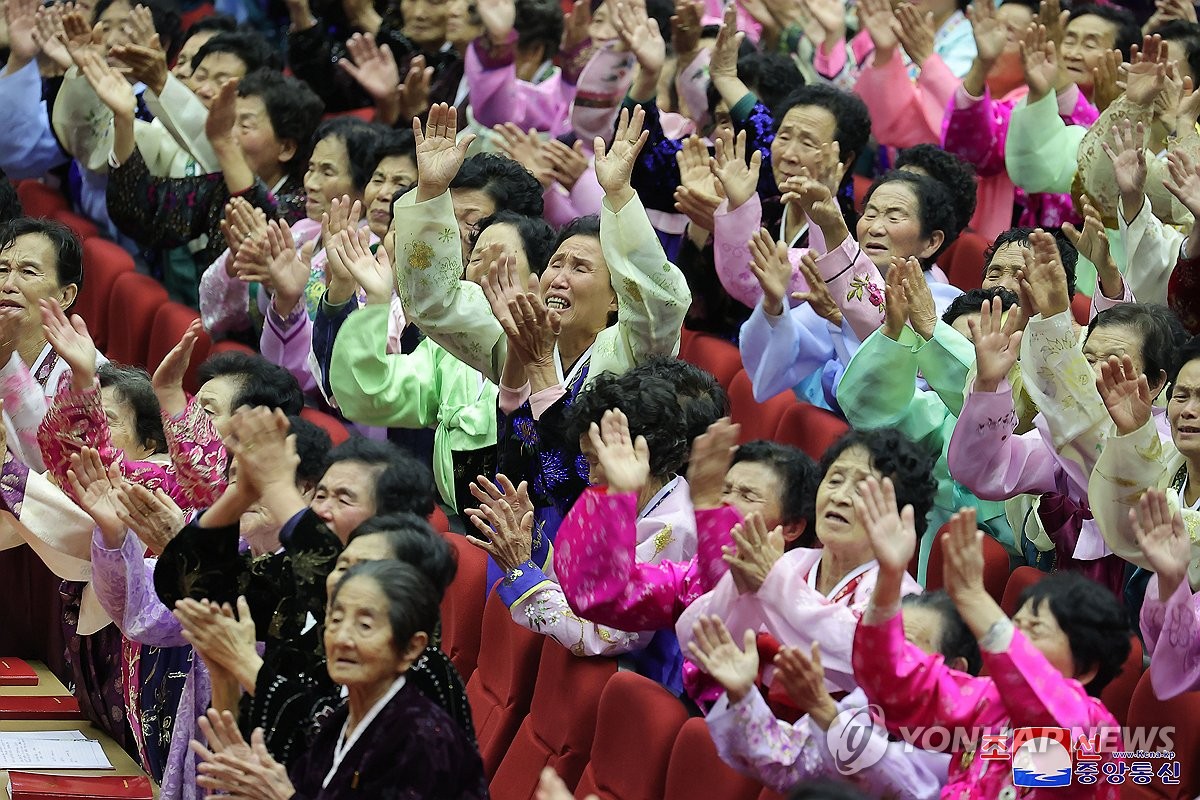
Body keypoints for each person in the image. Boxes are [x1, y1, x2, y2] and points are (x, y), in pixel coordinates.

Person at [852, 485, 1132, 799]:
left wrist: (974, 600)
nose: (1013, 640)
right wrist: (889, 579)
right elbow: (896, 688)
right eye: (1014, 626)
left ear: (1085, 668)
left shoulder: (1093, 728)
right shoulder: (990, 701)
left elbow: (1050, 728)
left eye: (1034, 631)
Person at [176, 512, 472, 766]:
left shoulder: (425, 675)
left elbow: (338, 751)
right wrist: (223, 674)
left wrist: (245, 664)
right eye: (342, 566)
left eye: (366, 569)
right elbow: (249, 756)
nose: (345, 581)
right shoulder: (319, 645)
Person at [675, 427, 937, 704]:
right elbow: (696, 643)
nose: (840, 496)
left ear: (900, 516)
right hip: (752, 723)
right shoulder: (794, 563)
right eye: (834, 480)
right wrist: (737, 586)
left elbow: (860, 652)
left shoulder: (904, 599)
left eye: (863, 489)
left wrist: (773, 584)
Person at [191, 561, 488, 799]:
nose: (342, 638)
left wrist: (281, 796)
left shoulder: (422, 739)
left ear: (411, 647)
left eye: (364, 625)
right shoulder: (345, 719)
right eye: (336, 620)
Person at [690, 587, 982, 795]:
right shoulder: (866, 703)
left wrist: (827, 715)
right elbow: (788, 764)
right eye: (887, 645)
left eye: (906, 647)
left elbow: (914, 792)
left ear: (956, 668)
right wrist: (743, 696)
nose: (890, 660)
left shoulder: (993, 735)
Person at [0, 218, 95, 471]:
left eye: (28, 272)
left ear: (65, 296)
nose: (8, 285)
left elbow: (56, 466)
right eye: (2, 270)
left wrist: (5, 362)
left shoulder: (86, 373)